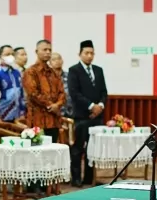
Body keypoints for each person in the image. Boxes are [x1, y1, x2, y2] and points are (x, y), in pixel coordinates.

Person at [67, 40, 107, 187]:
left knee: (93, 148)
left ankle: (90, 178)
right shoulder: (74, 70)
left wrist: (100, 106)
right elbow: (74, 93)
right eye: (87, 53)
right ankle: (76, 178)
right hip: (82, 116)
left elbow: (104, 92)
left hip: (97, 117)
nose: (90, 56)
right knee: (78, 149)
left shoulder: (98, 70)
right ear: (80, 54)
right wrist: (91, 106)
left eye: (92, 53)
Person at [22, 39, 65, 142]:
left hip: (53, 120)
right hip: (37, 121)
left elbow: (62, 93)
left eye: (50, 50)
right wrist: (51, 105)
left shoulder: (54, 73)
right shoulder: (30, 72)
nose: (48, 52)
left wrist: (57, 105)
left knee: (52, 151)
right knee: (36, 152)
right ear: (36, 51)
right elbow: (33, 93)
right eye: (44, 49)